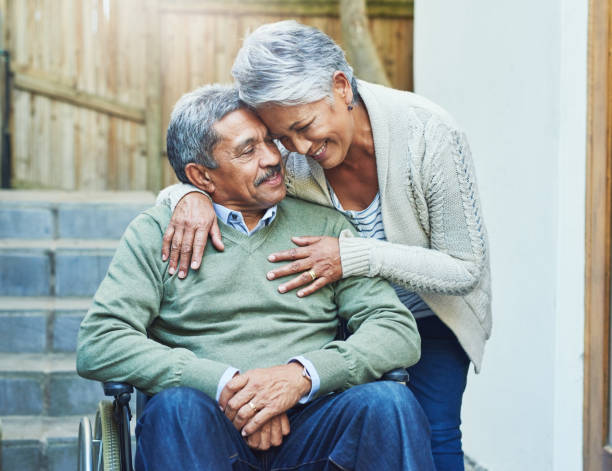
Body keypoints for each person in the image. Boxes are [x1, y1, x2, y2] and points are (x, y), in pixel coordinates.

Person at [157, 21, 491, 471]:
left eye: (304, 127)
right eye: (282, 136)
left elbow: (465, 268)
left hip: (431, 315)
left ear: (340, 86)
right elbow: (220, 177)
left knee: (432, 435)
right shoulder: (290, 154)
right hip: (335, 312)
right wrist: (188, 195)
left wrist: (352, 256)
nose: (298, 148)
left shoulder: (428, 136)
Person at [76, 84, 435, 471]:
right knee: (176, 408)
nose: (271, 158)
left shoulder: (325, 224)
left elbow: (395, 330)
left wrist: (300, 378)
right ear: (202, 176)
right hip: (204, 427)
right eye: (247, 150)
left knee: (390, 403)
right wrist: (227, 386)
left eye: (270, 141)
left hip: (314, 423)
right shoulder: (157, 233)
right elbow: (101, 342)